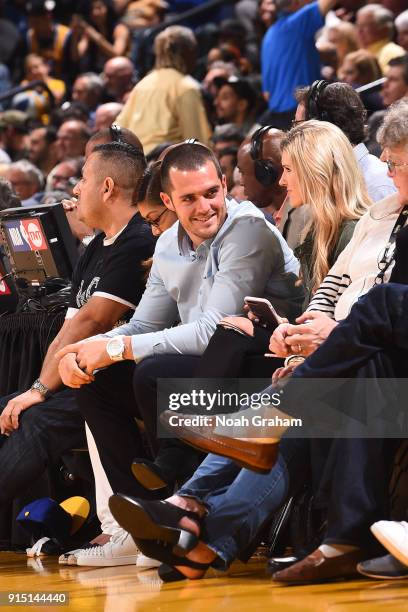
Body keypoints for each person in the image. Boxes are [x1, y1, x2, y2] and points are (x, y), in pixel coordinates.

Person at [56, 141, 301, 511]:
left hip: (267, 365)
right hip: (209, 370)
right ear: (168, 202)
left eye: (211, 193)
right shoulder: (168, 241)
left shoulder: (249, 231)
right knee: (98, 380)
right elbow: (143, 324)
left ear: (223, 183)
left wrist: (113, 348)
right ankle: (139, 514)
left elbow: (212, 333)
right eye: (189, 199)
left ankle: (176, 492)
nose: (204, 208)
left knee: (153, 373)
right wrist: (83, 351)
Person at [0, 135, 156, 567]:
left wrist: (37, 392)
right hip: (85, 374)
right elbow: (68, 328)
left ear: (107, 187)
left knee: (34, 421)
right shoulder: (98, 246)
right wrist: (36, 387)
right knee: (9, 410)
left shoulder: (138, 239)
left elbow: (93, 322)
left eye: (82, 178)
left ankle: (125, 528)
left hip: (125, 377)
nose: (74, 189)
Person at [294, 81, 396, 203]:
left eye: (298, 126)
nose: (294, 134)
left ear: (325, 127)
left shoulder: (378, 185)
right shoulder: (324, 180)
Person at [116, 26, 212, 154]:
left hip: (136, 163)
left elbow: (120, 129)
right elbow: (198, 143)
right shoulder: (186, 86)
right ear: (187, 52)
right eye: (194, 50)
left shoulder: (142, 84)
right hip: (165, 164)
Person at [260, 0, 338, 130]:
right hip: (303, 112)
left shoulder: (268, 36)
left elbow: (267, 94)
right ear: (295, 3)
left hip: (279, 118)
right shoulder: (296, 23)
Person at [237, 126, 287, 220]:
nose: (241, 182)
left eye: (243, 172)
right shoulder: (279, 217)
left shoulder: (300, 220)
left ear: (266, 173)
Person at [69, 0, 131, 74]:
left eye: (99, 8)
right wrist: (74, 35)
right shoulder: (89, 30)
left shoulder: (120, 29)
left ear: (107, 8)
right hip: (95, 73)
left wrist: (94, 35)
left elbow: (117, 54)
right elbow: (76, 57)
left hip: (118, 74)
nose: (95, 13)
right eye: (92, 9)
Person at [356, 4, 405, 74]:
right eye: (358, 25)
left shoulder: (393, 52)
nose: (360, 30)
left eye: (366, 25)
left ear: (385, 29)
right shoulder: (359, 52)